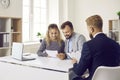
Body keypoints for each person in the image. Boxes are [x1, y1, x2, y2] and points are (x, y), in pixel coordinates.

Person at [70, 15, 120, 80]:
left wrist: (74, 63)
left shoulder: (88, 45)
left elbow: (79, 71)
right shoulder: (116, 44)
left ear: (91, 29)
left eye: (88, 29)